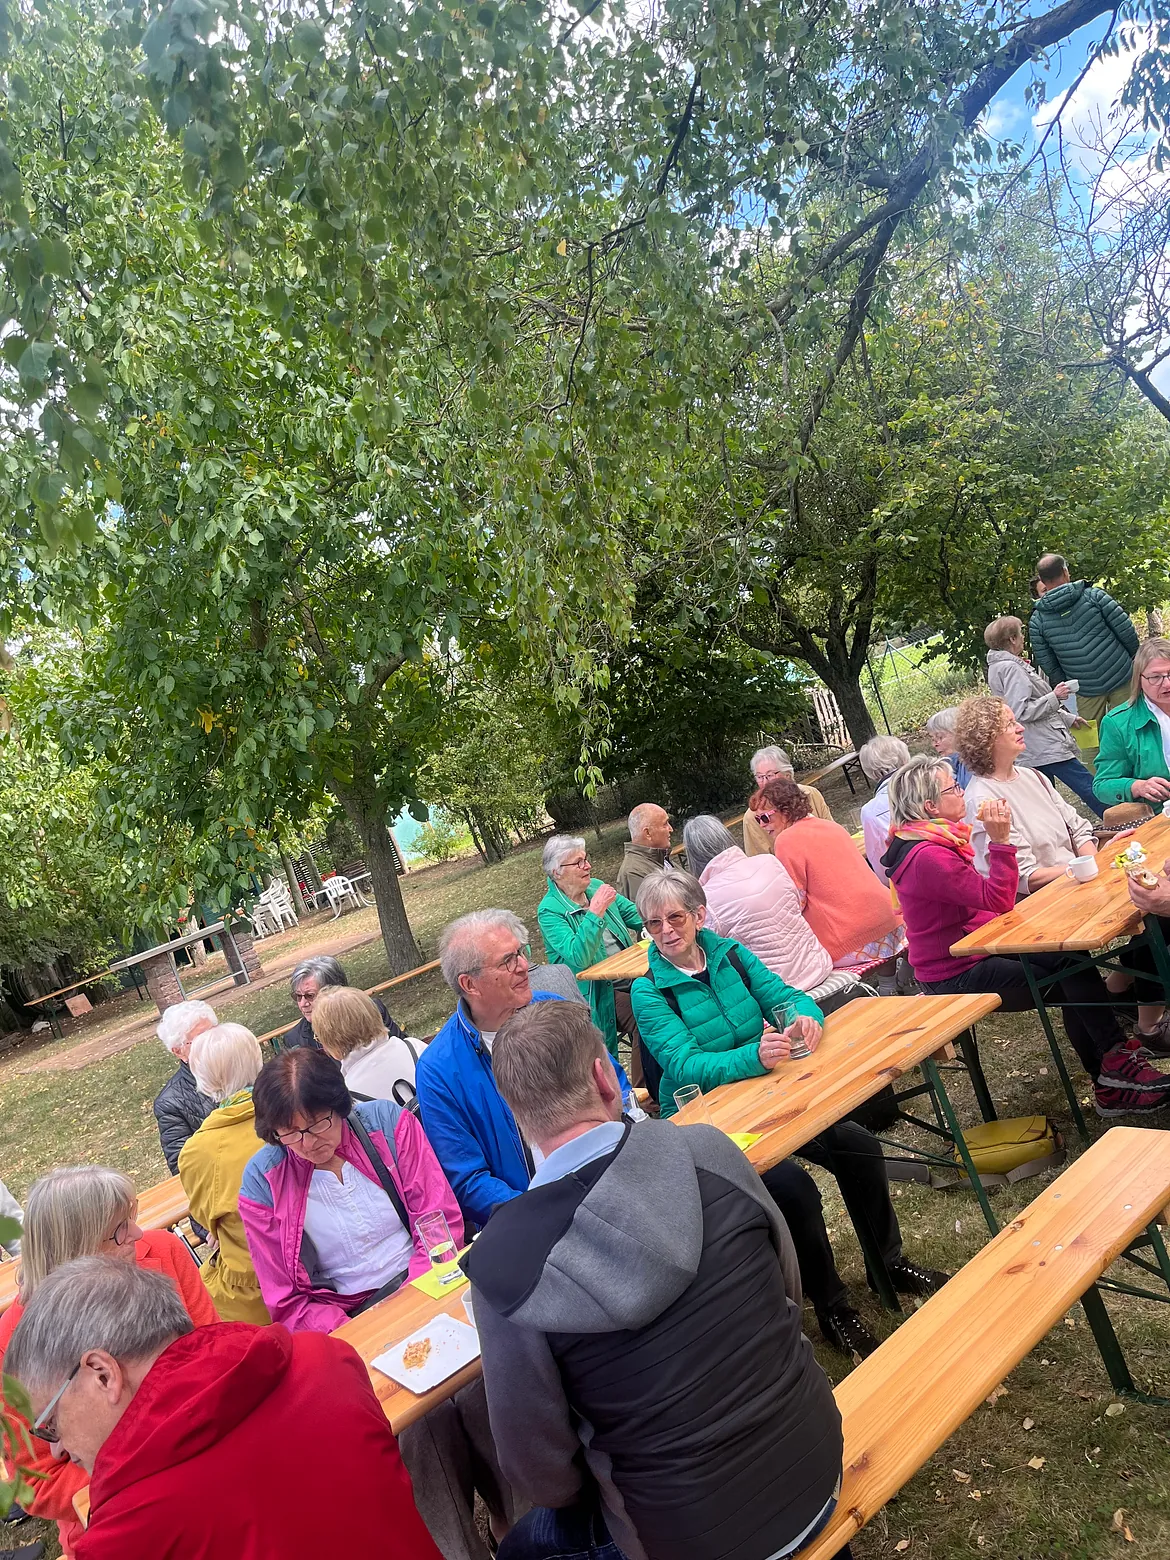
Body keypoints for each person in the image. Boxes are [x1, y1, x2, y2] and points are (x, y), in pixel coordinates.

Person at [466, 1000, 850, 1560]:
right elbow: (787, 1287)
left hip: (684, 1537)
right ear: (604, 1078)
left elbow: (541, 1476)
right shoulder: (707, 1150)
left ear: (514, 1113)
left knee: (522, 1548)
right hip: (815, 1462)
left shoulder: (502, 1264)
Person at [631, 870, 947, 1357]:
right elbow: (684, 1064)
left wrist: (807, 1018)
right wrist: (753, 1057)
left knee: (859, 1146)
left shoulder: (730, 954)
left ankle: (888, 1263)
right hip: (708, 1120)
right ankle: (833, 1309)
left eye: (675, 917)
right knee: (792, 1189)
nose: (666, 931)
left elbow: (787, 997)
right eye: (654, 923)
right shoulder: (649, 990)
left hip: (766, 1092)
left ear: (699, 915)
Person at [240, 1048, 515, 1560]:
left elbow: (438, 1218)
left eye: (319, 1123)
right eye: (290, 1134)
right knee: (414, 1424)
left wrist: (410, 1303)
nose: (309, 1143)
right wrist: (361, 1332)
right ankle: (455, 1551)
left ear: (340, 1105)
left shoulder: (386, 1124)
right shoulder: (263, 1181)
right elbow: (287, 1299)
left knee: (481, 1388)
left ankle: (522, 1527)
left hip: (424, 1282)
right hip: (346, 1319)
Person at [4, 1257, 444, 1560]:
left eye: (50, 1424)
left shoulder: (124, 1536)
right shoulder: (328, 1359)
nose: (57, 1449)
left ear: (103, 1374)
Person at [881, 755, 1169, 1118]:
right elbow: (998, 899)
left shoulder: (930, 840)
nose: (961, 792)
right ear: (930, 806)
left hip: (977, 947)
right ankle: (1115, 1074)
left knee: (1072, 961)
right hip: (953, 971)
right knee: (1070, 975)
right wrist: (1001, 841)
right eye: (953, 788)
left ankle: (1113, 1074)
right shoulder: (928, 856)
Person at [0, 1166, 218, 1559]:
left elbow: (215, 1355)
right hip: (115, 1512)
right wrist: (149, 1476)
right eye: (119, 1229)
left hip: (210, 1454)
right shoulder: (12, 1340)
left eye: (132, 1216)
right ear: (75, 1250)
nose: (137, 1233)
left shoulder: (163, 1252)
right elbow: (36, 1481)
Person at [416, 911, 641, 1229]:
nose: (524, 966)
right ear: (470, 984)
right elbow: (468, 1180)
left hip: (613, 1172)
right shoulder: (439, 1070)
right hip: (540, 1220)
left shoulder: (554, 1011)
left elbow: (614, 1082)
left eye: (521, 952)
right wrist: (543, 1213)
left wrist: (632, 1148)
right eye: (507, 961)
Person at [749, 779, 904, 972]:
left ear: (785, 810)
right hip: (892, 923)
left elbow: (795, 900)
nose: (762, 825)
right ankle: (894, 980)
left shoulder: (785, 841)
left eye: (765, 818)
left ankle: (890, 982)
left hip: (852, 941)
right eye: (758, 820)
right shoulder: (831, 826)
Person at [177, 1023, 271, 1324]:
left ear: (203, 1079)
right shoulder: (295, 1111)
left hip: (257, 1289)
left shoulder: (197, 1151)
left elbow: (208, 1222)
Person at [957, 696, 1097, 892]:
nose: (1021, 728)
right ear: (986, 738)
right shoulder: (982, 800)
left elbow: (1078, 831)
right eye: (1009, 724)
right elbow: (1023, 876)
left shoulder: (1033, 776)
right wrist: (1081, 868)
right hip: (1045, 900)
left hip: (1081, 881)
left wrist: (1093, 865)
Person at [681, 815, 833, 993]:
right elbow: (797, 904)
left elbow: (706, 952)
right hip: (819, 966)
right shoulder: (769, 861)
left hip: (776, 990)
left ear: (692, 856)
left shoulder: (707, 899)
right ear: (727, 837)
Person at [537, 835, 643, 1062]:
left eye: (585, 859)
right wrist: (596, 911)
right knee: (643, 1017)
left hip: (633, 976)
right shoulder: (549, 911)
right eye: (578, 862)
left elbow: (638, 916)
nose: (588, 866)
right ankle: (639, 1086)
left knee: (669, 999)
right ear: (557, 872)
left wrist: (659, 923)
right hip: (596, 992)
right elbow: (579, 956)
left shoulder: (595, 887)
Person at [983, 615, 1102, 817]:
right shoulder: (1011, 668)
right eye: (1021, 633)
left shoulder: (1000, 666)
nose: (1023, 638)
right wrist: (1055, 696)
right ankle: (1120, 820)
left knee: (1046, 799)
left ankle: (1062, 831)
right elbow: (1020, 711)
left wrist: (1068, 718)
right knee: (1087, 786)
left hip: (1034, 745)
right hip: (1043, 743)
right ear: (1012, 639)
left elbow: (1028, 704)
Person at [1029, 553, 1139, 728]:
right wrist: (1135, 657)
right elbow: (1125, 631)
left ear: (1042, 580)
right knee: (1132, 726)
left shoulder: (1037, 621)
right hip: (1121, 674)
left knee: (1091, 734)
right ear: (1065, 572)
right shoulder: (1094, 596)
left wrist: (1066, 684)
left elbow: (1047, 662)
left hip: (1085, 687)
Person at [312, 982, 427, 1106]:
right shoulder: (414, 1047)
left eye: (319, 1037)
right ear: (373, 1014)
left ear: (331, 1039)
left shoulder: (349, 1099)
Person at [1094, 637, 1170, 810]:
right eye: (1155, 677)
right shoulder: (1118, 723)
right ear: (1139, 679)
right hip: (1158, 814)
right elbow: (1102, 785)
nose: (1167, 684)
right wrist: (1137, 786)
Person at [283, 954, 402, 1051]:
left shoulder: (370, 1010)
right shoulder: (295, 1040)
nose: (303, 1004)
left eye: (310, 995)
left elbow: (401, 1048)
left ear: (334, 991)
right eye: (298, 996)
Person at [152, 999, 217, 1173]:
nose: (213, 1043)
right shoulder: (170, 1103)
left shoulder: (243, 1066)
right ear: (179, 1051)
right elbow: (182, 1165)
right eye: (201, 1040)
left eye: (214, 1033)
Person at [742, 745, 832, 856]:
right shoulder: (752, 817)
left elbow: (832, 832)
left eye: (770, 775)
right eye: (760, 777)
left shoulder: (811, 794)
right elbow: (759, 861)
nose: (765, 783)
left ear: (787, 775)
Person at [858, 736, 912, 883]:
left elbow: (880, 863)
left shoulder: (870, 811)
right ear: (905, 759)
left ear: (870, 772)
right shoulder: (931, 781)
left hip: (907, 881)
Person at [615, 803, 674, 901]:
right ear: (648, 833)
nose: (671, 829)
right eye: (665, 824)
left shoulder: (658, 857)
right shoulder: (634, 873)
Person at [925, 708, 972, 789]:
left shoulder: (974, 767)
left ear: (959, 734)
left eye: (939, 737)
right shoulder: (949, 767)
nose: (934, 744)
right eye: (933, 739)